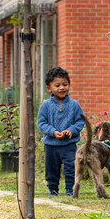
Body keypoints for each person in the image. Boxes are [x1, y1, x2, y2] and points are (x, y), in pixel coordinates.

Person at [37, 67, 84, 197]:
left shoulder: (74, 105)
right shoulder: (46, 105)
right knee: (51, 169)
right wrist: (53, 132)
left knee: (71, 168)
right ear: (49, 88)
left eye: (65, 84)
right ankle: (53, 190)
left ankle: (71, 190)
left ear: (69, 85)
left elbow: (80, 121)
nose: (62, 88)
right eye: (57, 85)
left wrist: (71, 130)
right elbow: (41, 123)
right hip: (51, 145)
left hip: (69, 145)